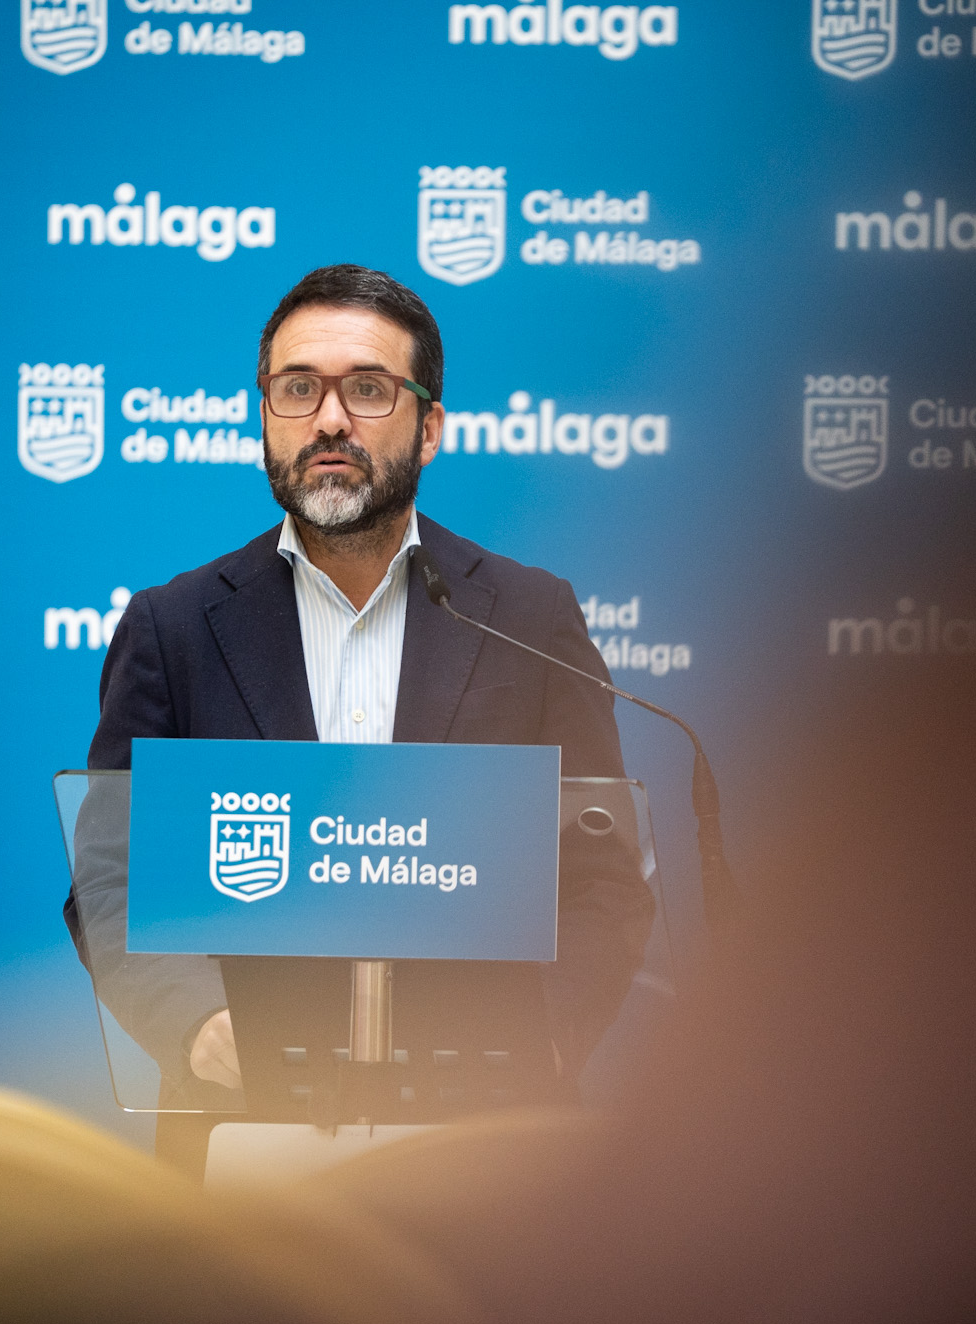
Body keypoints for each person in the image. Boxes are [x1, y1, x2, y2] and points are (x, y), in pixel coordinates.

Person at [64, 264, 653, 1171]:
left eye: (368, 389)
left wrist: (544, 1036)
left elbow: (603, 878)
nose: (330, 420)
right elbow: (111, 876)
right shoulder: (171, 628)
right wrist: (196, 1026)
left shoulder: (531, 618)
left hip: (490, 1141)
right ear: (266, 414)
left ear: (430, 427)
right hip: (242, 1130)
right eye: (298, 389)